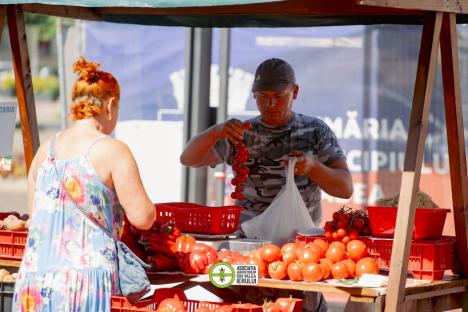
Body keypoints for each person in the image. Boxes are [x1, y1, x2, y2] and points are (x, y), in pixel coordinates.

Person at [180, 58, 353, 312]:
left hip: (300, 253)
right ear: (254, 96)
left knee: (299, 305)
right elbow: (188, 158)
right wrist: (215, 131)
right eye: (263, 96)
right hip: (248, 251)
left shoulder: (315, 130)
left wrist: (314, 168)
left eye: (279, 96)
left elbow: (345, 187)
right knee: (246, 304)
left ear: (294, 92)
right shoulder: (241, 132)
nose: (271, 104)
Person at [13, 57, 156, 311]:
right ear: (110, 106)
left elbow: (37, 218)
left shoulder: (45, 150)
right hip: (83, 286)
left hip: (33, 282)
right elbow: (143, 217)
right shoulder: (113, 151)